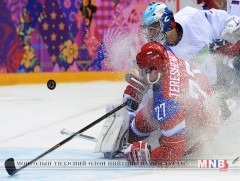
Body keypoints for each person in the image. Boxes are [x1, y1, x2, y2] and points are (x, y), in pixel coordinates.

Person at [122, 41, 219, 164]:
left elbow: (173, 153)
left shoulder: (168, 103)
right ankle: (134, 133)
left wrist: (147, 158)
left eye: (144, 72)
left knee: (157, 118)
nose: (142, 75)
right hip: (206, 106)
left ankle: (135, 134)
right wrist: (143, 82)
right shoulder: (166, 55)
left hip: (202, 133)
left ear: (155, 72)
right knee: (150, 112)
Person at [141, 2, 240, 120]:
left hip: (217, 75)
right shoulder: (161, 52)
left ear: (166, 21)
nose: (151, 34)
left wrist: (231, 22)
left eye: (154, 28)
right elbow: (153, 81)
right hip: (199, 94)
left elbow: (219, 20)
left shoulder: (192, 18)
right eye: (149, 30)